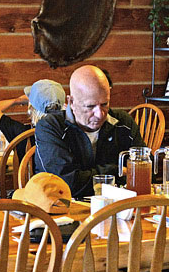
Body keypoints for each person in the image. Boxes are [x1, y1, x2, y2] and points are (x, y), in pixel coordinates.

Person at [33, 65, 144, 198]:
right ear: (71, 102)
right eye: (90, 106)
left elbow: (145, 173)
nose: (99, 114)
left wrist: (90, 178)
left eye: (105, 104)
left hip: (117, 209)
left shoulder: (123, 123)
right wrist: (116, 171)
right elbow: (66, 185)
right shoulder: (50, 127)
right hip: (62, 212)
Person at [0, 79, 66, 143]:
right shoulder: (69, 131)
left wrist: (17, 101)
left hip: (26, 166)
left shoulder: (23, 132)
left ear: (31, 107)